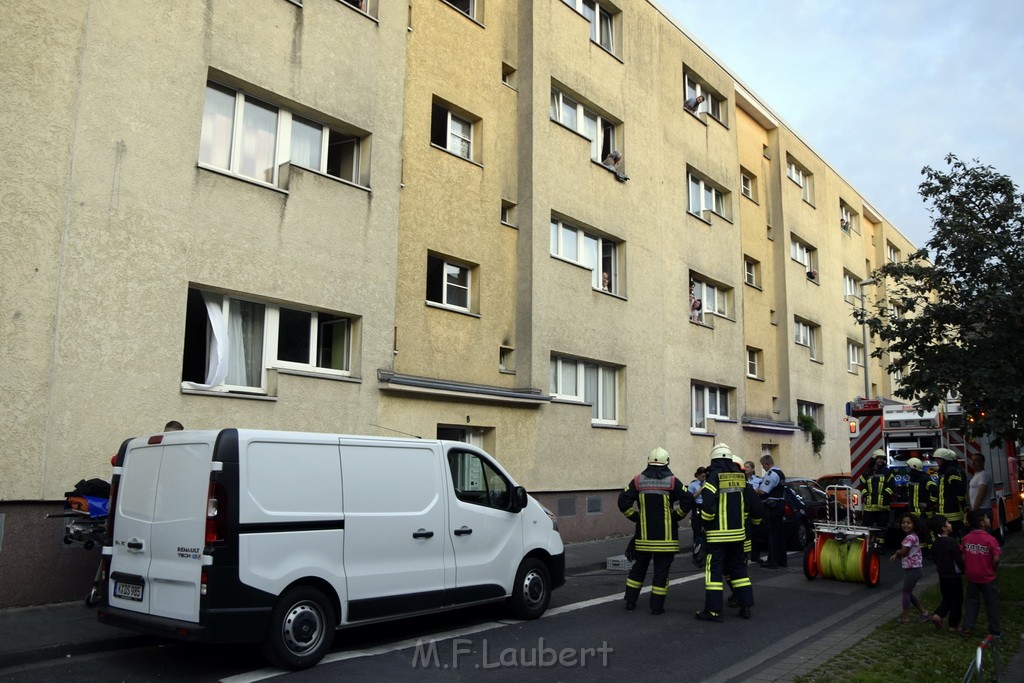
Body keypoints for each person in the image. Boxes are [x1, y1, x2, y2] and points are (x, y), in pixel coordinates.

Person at [619, 447, 695, 615]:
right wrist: (677, 515)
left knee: (638, 568)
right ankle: (656, 607)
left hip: (644, 538)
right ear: (667, 462)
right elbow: (688, 499)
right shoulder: (672, 481)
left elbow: (623, 502)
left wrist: (636, 518)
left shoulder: (638, 481)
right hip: (666, 539)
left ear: (648, 462)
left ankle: (630, 601)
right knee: (661, 571)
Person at [696, 443, 762, 622]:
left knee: (714, 573)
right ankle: (746, 606)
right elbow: (756, 505)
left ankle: (713, 611)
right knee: (739, 570)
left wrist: (705, 524)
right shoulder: (741, 478)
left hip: (717, 536)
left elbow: (708, 508)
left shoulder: (713, 478)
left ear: (714, 460)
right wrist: (753, 526)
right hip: (739, 536)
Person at [960, 508, 1002, 638]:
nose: (989, 519)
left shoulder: (966, 538)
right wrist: (993, 569)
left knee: (972, 601)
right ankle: (995, 631)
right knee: (991, 603)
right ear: (982, 523)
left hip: (972, 575)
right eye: (987, 518)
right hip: (986, 576)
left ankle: (967, 627)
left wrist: (968, 567)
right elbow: (996, 558)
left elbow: (963, 556)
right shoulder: (990, 539)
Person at [889, 513, 930, 624]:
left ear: (914, 525)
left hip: (913, 569)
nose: (905, 525)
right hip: (914, 569)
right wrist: (897, 554)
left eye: (908, 523)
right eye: (903, 523)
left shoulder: (910, 538)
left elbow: (904, 552)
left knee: (906, 593)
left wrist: (897, 553)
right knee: (908, 592)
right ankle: (924, 613)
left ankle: (906, 617)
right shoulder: (913, 536)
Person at [928, 514, 964, 633]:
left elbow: (934, 557)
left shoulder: (936, 542)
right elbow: (958, 559)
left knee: (947, 597)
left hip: (942, 575)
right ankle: (953, 625)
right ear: (944, 527)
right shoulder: (951, 542)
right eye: (948, 523)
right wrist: (964, 569)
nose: (950, 524)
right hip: (954, 575)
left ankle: (938, 615)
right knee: (957, 600)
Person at [756, 453, 787, 568]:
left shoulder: (771, 474)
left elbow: (763, 491)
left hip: (771, 507)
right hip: (780, 505)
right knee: (779, 534)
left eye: (763, 465)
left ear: (767, 464)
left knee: (771, 534)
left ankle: (772, 561)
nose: (763, 468)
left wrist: (752, 490)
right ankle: (782, 560)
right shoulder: (781, 473)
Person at [933, 448, 968, 539]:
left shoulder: (951, 471)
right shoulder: (945, 471)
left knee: (953, 537)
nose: (936, 461)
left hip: (953, 513)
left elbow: (959, 491)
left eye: (938, 459)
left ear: (945, 460)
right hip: (944, 512)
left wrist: (962, 505)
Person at [859, 450, 891, 538]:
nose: (881, 461)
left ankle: (879, 548)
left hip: (882, 508)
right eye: (879, 458)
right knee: (865, 529)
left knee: (881, 530)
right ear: (874, 459)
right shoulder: (867, 472)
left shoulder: (887, 472)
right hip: (869, 508)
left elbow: (891, 487)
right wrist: (865, 494)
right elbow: (862, 485)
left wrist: (883, 496)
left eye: (883, 459)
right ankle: (865, 547)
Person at [744, 460, 763, 563]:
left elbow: (761, 492)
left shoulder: (758, 480)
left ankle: (756, 556)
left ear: (752, 469)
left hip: (754, 508)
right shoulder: (742, 479)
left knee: (755, 534)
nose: (746, 468)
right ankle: (745, 556)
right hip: (746, 509)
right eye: (745, 467)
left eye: (748, 467)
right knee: (745, 534)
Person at [688, 467, 708, 542]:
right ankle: (696, 544)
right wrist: (701, 490)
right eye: (702, 476)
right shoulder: (692, 485)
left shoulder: (708, 483)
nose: (704, 478)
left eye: (705, 476)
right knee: (697, 527)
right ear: (698, 475)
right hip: (697, 507)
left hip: (705, 506)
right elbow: (690, 497)